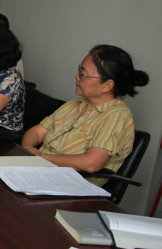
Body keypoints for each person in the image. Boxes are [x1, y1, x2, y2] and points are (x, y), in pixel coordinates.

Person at [22, 45, 148, 185]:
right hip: (39, 170)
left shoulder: (117, 115)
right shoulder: (74, 104)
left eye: (83, 74)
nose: (77, 76)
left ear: (107, 85)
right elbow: (36, 132)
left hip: (70, 184)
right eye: (79, 71)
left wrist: (41, 157)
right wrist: (27, 150)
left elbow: (91, 163)